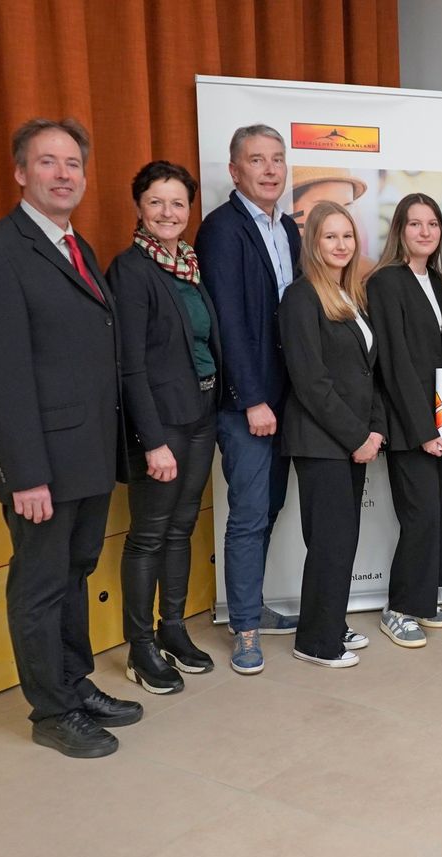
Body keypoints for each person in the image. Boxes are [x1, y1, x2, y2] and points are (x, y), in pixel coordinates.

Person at [0, 118, 141, 757]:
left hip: (86, 456)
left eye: (73, 164)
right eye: (47, 162)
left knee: (75, 573)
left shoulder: (75, 245)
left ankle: (73, 683)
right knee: (39, 587)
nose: (63, 174)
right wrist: (26, 473)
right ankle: (52, 713)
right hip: (43, 466)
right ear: (20, 172)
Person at [109, 161, 221, 694]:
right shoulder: (130, 270)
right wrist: (152, 441)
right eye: (156, 202)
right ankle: (140, 647)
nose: (168, 212)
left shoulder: (189, 265)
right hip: (161, 424)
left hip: (201, 414)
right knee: (149, 535)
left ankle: (172, 629)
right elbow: (129, 365)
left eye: (178, 203)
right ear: (139, 207)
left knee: (181, 528)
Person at [194, 124, 303, 675]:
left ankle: (251, 605)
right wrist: (252, 399)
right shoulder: (221, 230)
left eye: (277, 159)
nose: (270, 169)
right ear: (235, 171)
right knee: (249, 514)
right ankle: (245, 628)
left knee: (272, 506)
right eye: (257, 160)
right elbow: (227, 323)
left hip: (288, 398)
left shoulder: (288, 228)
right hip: (249, 404)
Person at [277, 200, 386, 668]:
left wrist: (375, 428)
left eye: (347, 236)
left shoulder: (351, 295)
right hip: (321, 441)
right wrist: (356, 437)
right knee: (330, 541)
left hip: (352, 439)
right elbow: (311, 382)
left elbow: (367, 372)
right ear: (313, 243)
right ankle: (316, 642)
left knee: (342, 539)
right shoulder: (301, 297)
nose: (341, 245)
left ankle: (330, 622)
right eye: (330, 236)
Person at [366, 194, 442, 646]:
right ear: (400, 230)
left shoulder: (438, 282)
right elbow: (395, 364)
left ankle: (421, 600)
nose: (425, 232)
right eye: (415, 224)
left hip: (439, 417)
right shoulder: (386, 282)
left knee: (433, 514)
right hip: (409, 425)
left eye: (433, 224)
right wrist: (423, 430)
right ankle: (398, 608)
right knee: (419, 516)